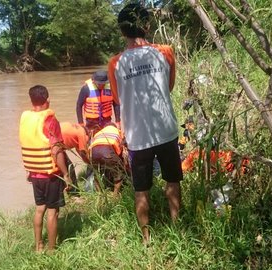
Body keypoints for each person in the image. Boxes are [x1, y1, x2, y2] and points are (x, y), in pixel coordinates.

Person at [108, 3, 183, 244]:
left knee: (140, 188)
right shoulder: (166, 52)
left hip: (137, 138)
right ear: (147, 26)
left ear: (122, 32)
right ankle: (176, 227)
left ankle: (146, 238)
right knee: (173, 180)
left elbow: (118, 99)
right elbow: (168, 88)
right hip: (167, 131)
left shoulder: (115, 63)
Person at [19, 85, 72, 252]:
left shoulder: (26, 119)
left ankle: (38, 246)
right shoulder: (50, 121)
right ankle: (52, 250)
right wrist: (65, 174)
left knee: (39, 209)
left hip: (34, 174)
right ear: (47, 100)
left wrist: (30, 171)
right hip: (51, 175)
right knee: (52, 212)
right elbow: (56, 150)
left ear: (31, 101)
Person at [88, 123, 126, 197]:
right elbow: (121, 152)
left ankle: (100, 195)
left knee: (96, 174)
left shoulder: (99, 132)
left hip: (93, 152)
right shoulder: (119, 131)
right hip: (107, 150)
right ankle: (115, 195)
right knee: (118, 173)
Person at [59, 122, 91, 195]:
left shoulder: (77, 129)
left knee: (63, 168)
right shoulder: (82, 134)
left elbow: (79, 151)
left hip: (48, 140)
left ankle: (65, 190)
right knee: (70, 168)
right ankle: (74, 194)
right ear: (87, 134)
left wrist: (86, 161)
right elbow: (83, 153)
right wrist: (90, 163)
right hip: (54, 146)